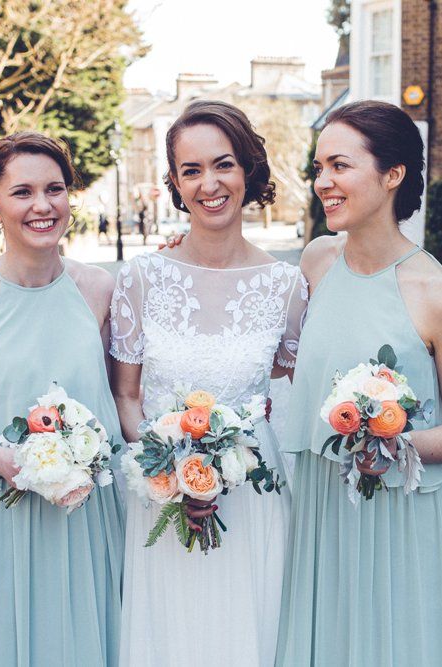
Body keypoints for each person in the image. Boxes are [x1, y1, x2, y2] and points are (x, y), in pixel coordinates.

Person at [110, 100, 307, 667]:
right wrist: (168, 466)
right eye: (190, 171)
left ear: (248, 169)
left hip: (255, 496)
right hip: (162, 494)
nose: (209, 184)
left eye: (222, 164)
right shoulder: (141, 278)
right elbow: (126, 393)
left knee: (252, 631)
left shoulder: (287, 287)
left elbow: (304, 385)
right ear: (173, 182)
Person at [0, 132, 124, 666]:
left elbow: (118, 396)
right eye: (22, 192)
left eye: (55, 189)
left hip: (87, 515)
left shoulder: (99, 290)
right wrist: (5, 461)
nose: (42, 205)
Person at [275, 101, 442, 666]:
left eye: (340, 166)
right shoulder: (317, 261)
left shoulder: (432, 289)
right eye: (319, 168)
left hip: (403, 512)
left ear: (392, 174)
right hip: (325, 507)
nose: (324, 182)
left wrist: (387, 439)